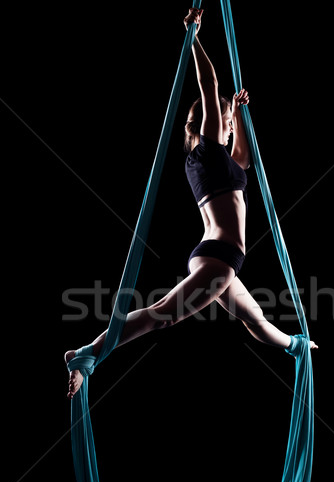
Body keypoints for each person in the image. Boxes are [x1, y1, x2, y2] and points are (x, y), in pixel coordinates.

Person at [65, 7, 317, 400]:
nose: (229, 122)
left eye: (230, 120)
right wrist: (193, 35)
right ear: (211, 122)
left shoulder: (221, 162)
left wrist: (243, 114)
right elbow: (209, 80)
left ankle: (296, 346)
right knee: (162, 315)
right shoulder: (207, 151)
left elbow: (246, 159)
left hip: (222, 257)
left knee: (255, 321)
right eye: (227, 118)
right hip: (218, 256)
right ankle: (86, 354)